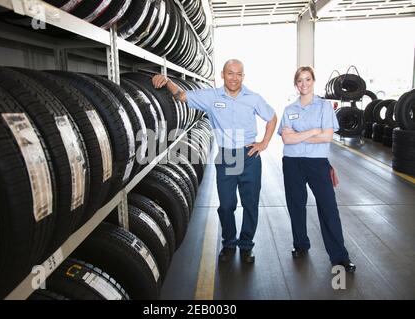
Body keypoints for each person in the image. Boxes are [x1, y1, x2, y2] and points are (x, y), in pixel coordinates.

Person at [152, 59, 277, 263]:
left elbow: (271, 118)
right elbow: (181, 96)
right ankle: (229, 243)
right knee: (226, 205)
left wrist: (264, 143)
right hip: (227, 156)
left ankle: (246, 246)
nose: (234, 78)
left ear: (243, 76)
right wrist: (166, 82)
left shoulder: (253, 98)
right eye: (230, 73)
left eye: (238, 74)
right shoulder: (210, 97)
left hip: (250, 156)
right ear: (222, 74)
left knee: (250, 204)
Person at [278, 66, 356, 272]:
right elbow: (286, 138)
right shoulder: (289, 110)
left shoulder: (324, 106)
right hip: (292, 162)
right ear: (296, 84)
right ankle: (300, 245)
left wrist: (299, 135)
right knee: (296, 204)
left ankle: (339, 257)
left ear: (313, 81)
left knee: (328, 207)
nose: (304, 84)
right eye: (300, 80)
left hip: (317, 163)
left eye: (308, 79)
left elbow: (327, 136)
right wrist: (313, 130)